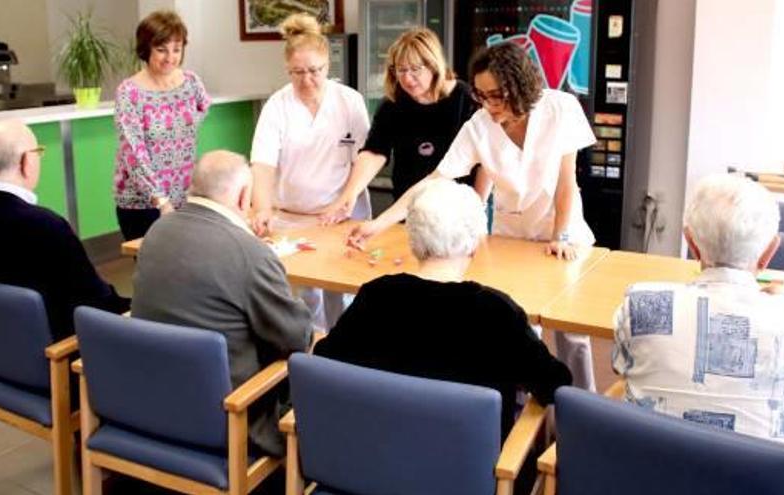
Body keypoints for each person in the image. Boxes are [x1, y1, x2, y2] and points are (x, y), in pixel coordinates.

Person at [347, 42, 598, 389]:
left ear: (519, 86)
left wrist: (561, 235)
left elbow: (567, 181)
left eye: (496, 95)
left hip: (563, 228)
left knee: (572, 330)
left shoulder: (561, 108)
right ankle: (522, 409)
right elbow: (434, 180)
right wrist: (378, 223)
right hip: (513, 233)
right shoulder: (479, 125)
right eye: (481, 95)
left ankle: (581, 403)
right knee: (522, 323)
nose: (488, 105)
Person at [315, 179, 571, 494]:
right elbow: (556, 384)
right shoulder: (497, 313)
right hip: (462, 481)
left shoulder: (375, 296)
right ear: (476, 241)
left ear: (413, 240)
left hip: (368, 470)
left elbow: (325, 362)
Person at [614, 174, 784, 475]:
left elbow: (621, 368)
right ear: (769, 253)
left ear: (691, 243)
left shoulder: (639, 305)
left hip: (654, 479)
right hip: (765, 484)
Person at [132, 150, 313, 457]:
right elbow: (298, 337)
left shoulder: (156, 232)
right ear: (244, 197)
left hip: (148, 398)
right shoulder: (248, 252)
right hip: (228, 415)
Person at [0, 120, 130, 341]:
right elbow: (97, 303)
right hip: (57, 356)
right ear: (25, 161)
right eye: (38, 152)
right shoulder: (44, 225)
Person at [250, 13, 369, 330]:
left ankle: (345, 357)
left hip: (343, 213)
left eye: (315, 71)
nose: (307, 80)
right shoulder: (277, 105)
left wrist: (345, 199)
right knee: (305, 297)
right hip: (293, 215)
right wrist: (260, 207)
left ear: (328, 66)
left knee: (343, 293)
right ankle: (311, 361)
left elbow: (365, 159)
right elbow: (262, 163)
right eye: (297, 73)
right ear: (287, 70)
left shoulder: (349, 102)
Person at [320, 27, 480, 224]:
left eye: (415, 69)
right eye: (401, 70)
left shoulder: (467, 100)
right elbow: (374, 151)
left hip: (459, 212)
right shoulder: (393, 105)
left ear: (433, 65)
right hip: (406, 209)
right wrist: (349, 193)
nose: (407, 78)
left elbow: (484, 162)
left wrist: (479, 207)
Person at [113, 10, 210, 241]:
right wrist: (161, 201)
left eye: (177, 49)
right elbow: (133, 152)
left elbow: (203, 107)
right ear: (146, 49)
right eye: (161, 49)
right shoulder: (129, 92)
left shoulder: (191, 83)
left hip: (184, 196)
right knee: (153, 269)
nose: (170, 57)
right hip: (143, 203)